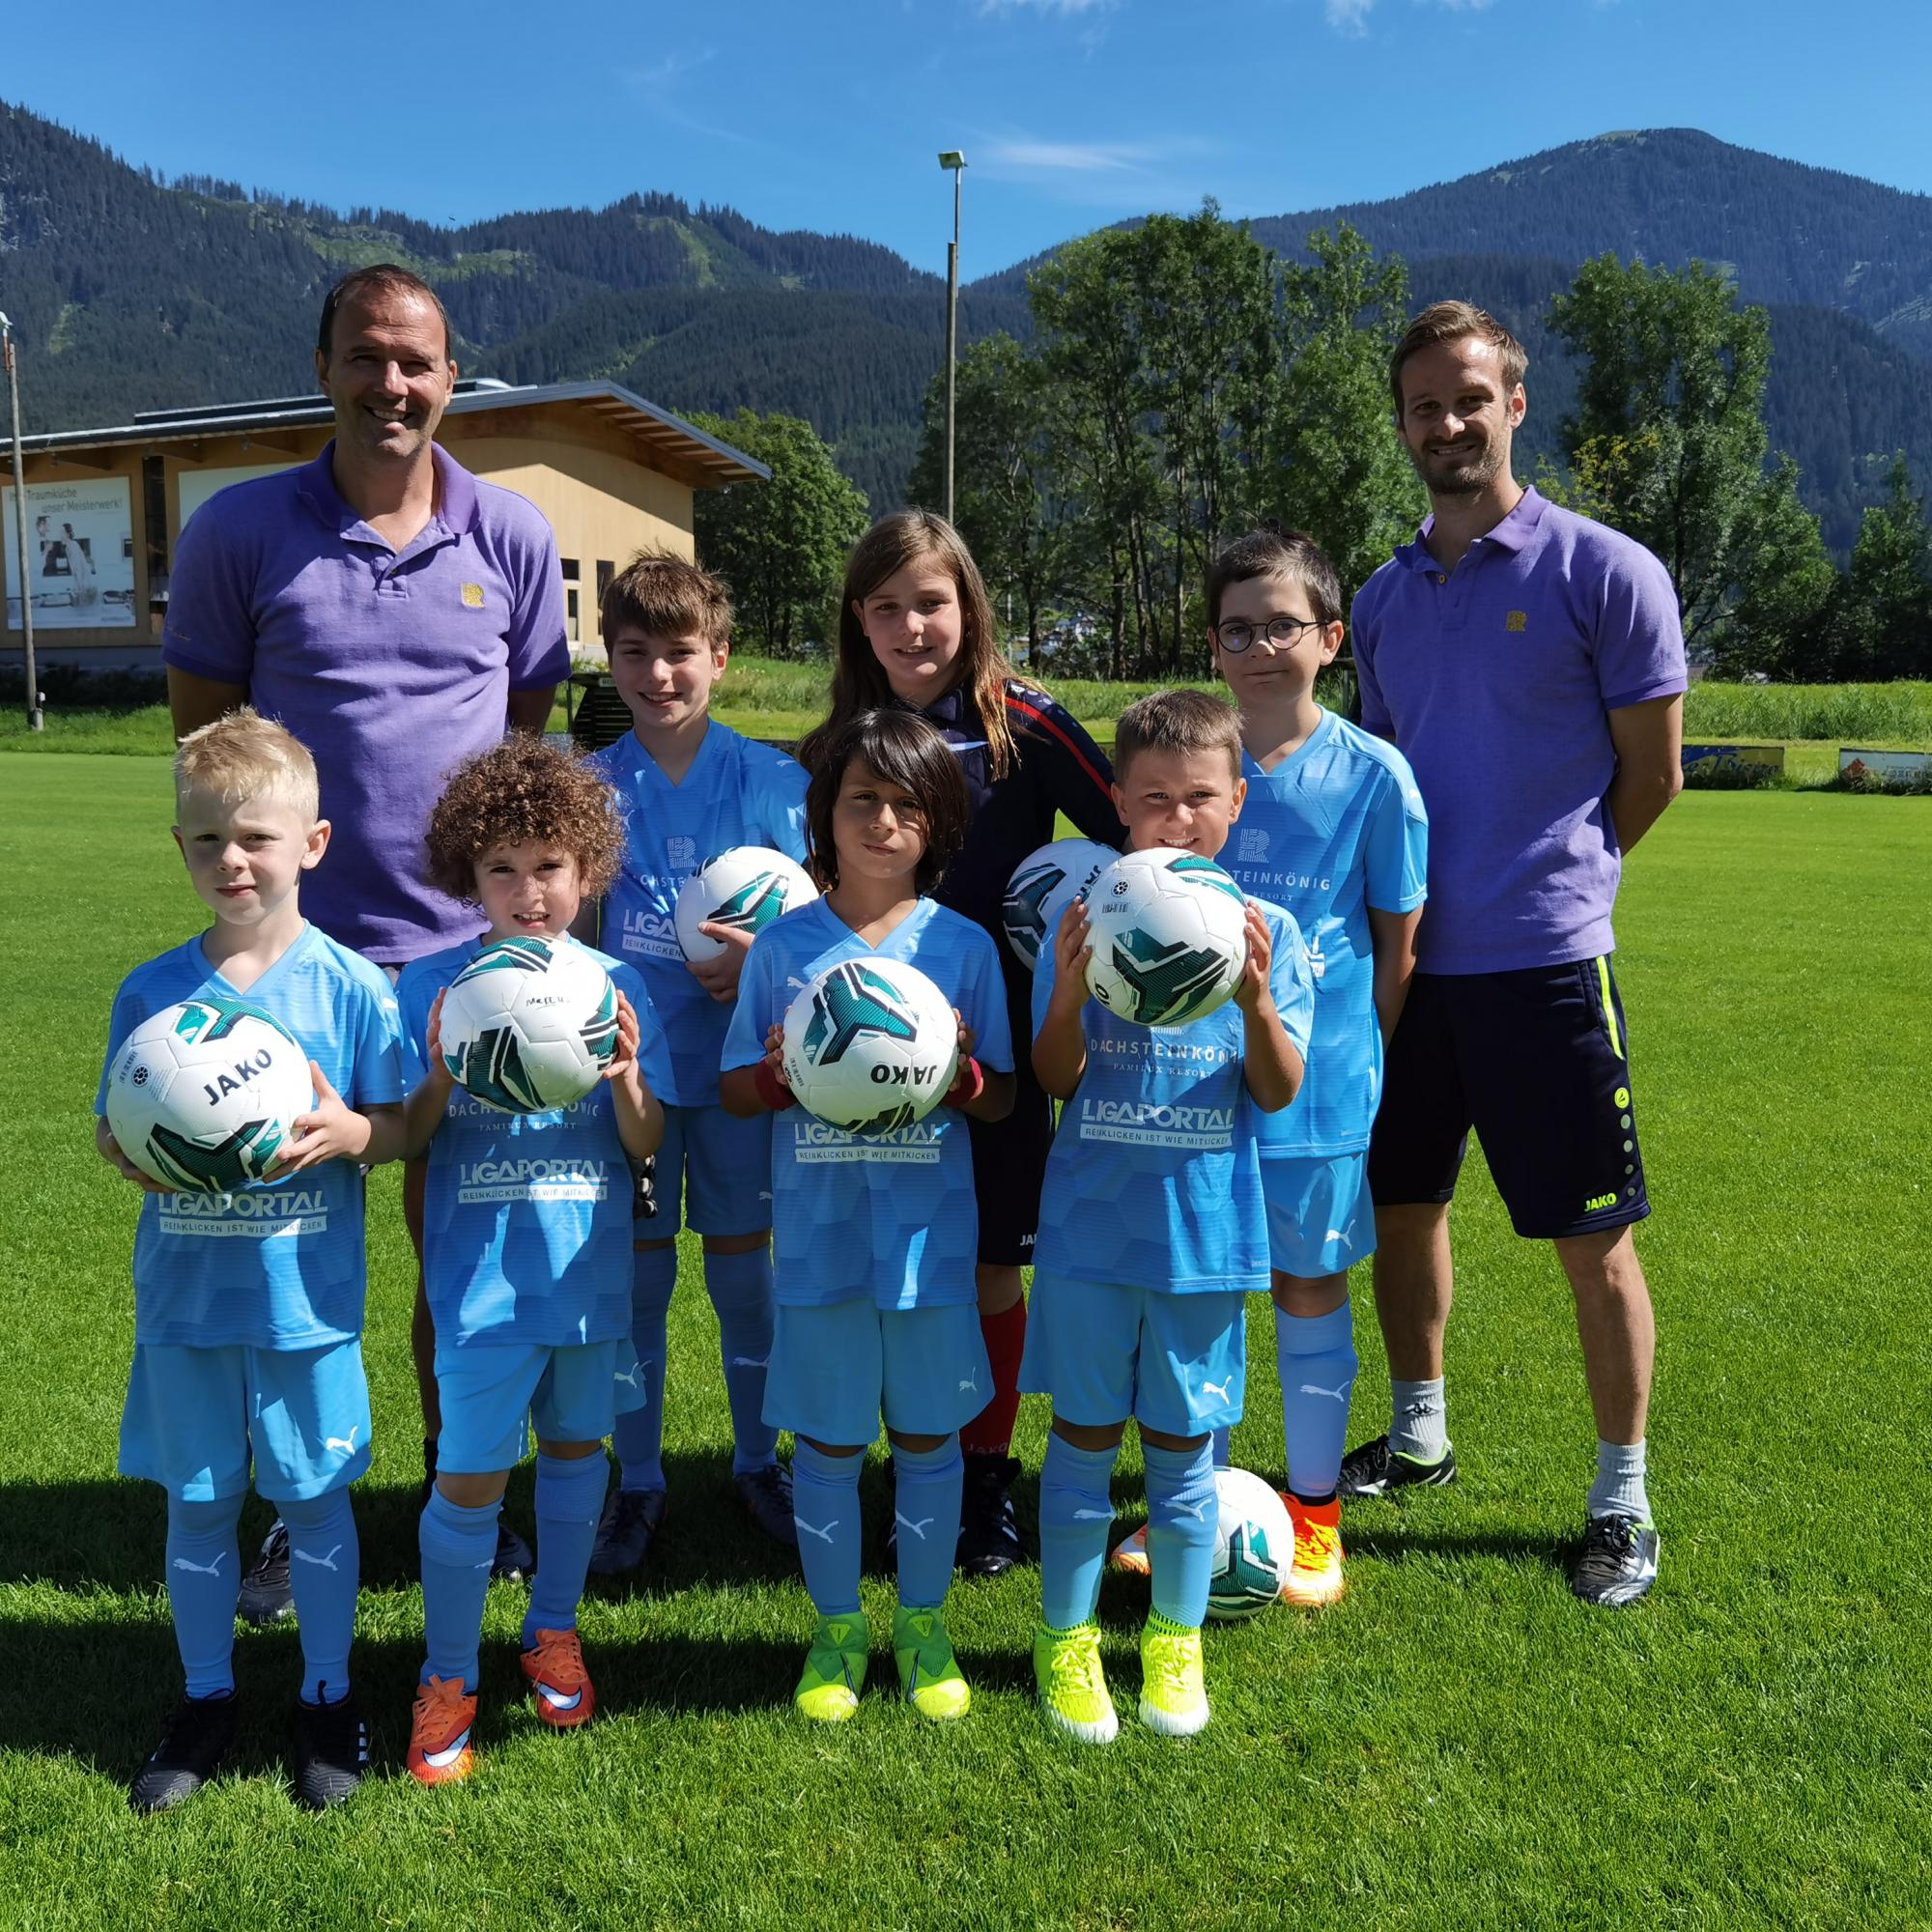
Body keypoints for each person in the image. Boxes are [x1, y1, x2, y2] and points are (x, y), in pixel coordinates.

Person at [162, 263, 570, 1608]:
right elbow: (211, 745)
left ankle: (470, 1490)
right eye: (366, 357)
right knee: (283, 1251)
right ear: (325, 367)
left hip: (471, 968)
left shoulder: (509, 536)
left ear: (452, 377)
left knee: (469, 1255)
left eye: (418, 362)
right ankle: (292, 1503)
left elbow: (529, 744)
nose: (393, 385)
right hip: (301, 972)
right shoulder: (239, 531)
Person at [1343, 300, 1686, 1608]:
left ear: (1515, 404)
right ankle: (1420, 1431)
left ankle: (1621, 1498)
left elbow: (1648, 780)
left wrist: (1562, 883)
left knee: (1593, 1239)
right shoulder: (1379, 598)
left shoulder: (1606, 570)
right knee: (1403, 1209)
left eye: (1468, 400)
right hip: (1410, 967)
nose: (1446, 425)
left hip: (1546, 968)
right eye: (1424, 406)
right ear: (1404, 425)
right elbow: (1382, 779)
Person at [798, 512, 1121, 1575]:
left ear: (967, 607)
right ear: (860, 620)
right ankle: (893, 1463)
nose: (909, 625)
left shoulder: (1028, 721)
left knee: (988, 1266)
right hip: (862, 1058)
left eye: (928, 601)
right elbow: (811, 878)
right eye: (885, 607)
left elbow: (1138, 836)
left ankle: (983, 1482)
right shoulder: (844, 735)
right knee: (886, 1259)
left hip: (1000, 1055)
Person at [95, 711, 406, 1812]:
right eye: (206, 839)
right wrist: (129, 1147)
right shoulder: (151, 993)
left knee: (313, 1498)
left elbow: (404, 1121)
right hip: (184, 1301)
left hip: (302, 1303)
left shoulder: (352, 988)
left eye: (256, 838)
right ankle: (205, 1694)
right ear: (180, 848)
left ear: (311, 844)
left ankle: (325, 1696)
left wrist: (359, 1134)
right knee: (196, 1501)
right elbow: (113, 1127)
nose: (231, 858)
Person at [1111, 528, 1427, 1609]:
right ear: (1212, 641)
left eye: (1280, 625)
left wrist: (1340, 1051)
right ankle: (1182, 1492)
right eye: (1236, 627)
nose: (1257, 645)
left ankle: (1313, 1514)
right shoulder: (1191, 762)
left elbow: (1396, 948)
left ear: (1328, 640)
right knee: (1192, 1288)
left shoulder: (1374, 774)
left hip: (1315, 1084)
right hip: (1185, 1091)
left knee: (1304, 1283)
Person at [1024, 691, 1313, 1744]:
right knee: (1084, 1436)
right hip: (1092, 1236)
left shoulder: (1265, 930)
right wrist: (1061, 996)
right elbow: (1054, 1075)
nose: (1177, 818)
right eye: (1153, 800)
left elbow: (1278, 1089)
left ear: (1237, 800)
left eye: (1199, 798)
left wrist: (1255, 1000)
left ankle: (1172, 1637)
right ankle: (1065, 1638)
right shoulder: (1090, 915)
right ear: (1116, 804)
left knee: (1184, 1447)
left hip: (1203, 1237)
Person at [720, 710, 1015, 1722]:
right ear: (823, 817)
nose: (882, 821)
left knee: (930, 1439)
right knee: (833, 1444)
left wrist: (964, 1068)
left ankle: (923, 1626)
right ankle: (837, 1627)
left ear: (936, 821)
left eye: (905, 805)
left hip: (930, 1243)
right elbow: (733, 1090)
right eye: (861, 801)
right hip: (819, 1239)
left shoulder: (965, 947)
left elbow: (1003, 1098)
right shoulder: (784, 947)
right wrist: (778, 1071)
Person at [395, 738, 669, 1786]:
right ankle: (449, 1672)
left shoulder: (614, 980)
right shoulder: (434, 982)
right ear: (468, 874)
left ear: (586, 870)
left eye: (548, 865)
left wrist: (634, 1077)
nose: (527, 890)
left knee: (572, 1460)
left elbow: (643, 1143)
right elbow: (411, 1137)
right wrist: (430, 1073)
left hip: (585, 1271)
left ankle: (552, 1628)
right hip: (481, 1281)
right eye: (502, 868)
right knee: (468, 1479)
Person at [582, 554, 807, 1571]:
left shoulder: (770, 778)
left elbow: (815, 930)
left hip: (736, 1073)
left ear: (719, 658)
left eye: (680, 652)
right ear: (610, 658)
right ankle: (636, 1481)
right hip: (630, 1071)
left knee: (743, 1276)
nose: (658, 673)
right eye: (635, 653)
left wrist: (767, 971)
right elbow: (569, 929)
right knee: (634, 1284)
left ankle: (759, 1459)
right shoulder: (589, 787)